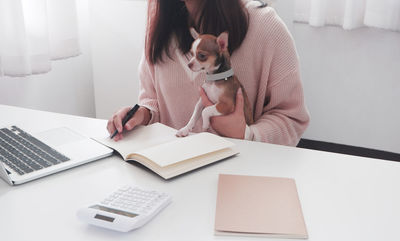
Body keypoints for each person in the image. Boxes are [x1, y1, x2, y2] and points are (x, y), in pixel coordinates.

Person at [107, 0, 310, 146]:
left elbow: (291, 118)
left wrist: (247, 134)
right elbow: (153, 100)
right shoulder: (160, 30)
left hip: (239, 180)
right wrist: (142, 114)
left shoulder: (266, 27)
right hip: (172, 176)